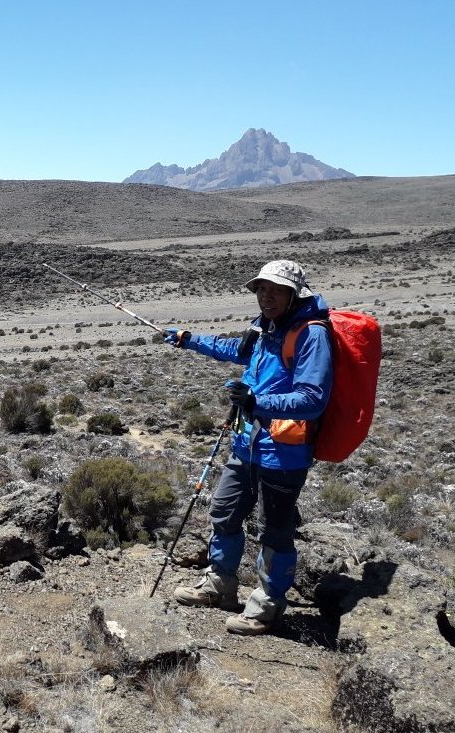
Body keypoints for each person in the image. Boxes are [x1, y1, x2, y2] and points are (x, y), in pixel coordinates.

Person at [163, 260, 333, 635]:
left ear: (294, 293)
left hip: (284, 451)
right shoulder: (265, 327)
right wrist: (188, 339)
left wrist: (257, 402)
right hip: (247, 443)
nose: (266, 296)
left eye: (275, 290)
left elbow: (313, 398)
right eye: (261, 289)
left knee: (274, 529)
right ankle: (220, 585)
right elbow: (234, 350)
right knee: (224, 512)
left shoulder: (311, 334)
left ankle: (266, 607)